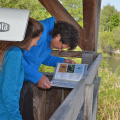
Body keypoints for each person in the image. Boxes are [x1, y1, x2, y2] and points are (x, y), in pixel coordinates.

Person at [0, 18, 43, 120]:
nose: (36, 44)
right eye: (37, 39)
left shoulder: (4, 49)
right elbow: (9, 94)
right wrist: (16, 118)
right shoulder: (14, 53)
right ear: (28, 38)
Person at [23, 16, 80, 89]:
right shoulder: (38, 32)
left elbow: (40, 57)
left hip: (23, 77)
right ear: (58, 36)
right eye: (61, 47)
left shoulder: (50, 39)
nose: (59, 50)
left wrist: (62, 61)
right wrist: (37, 77)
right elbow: (16, 58)